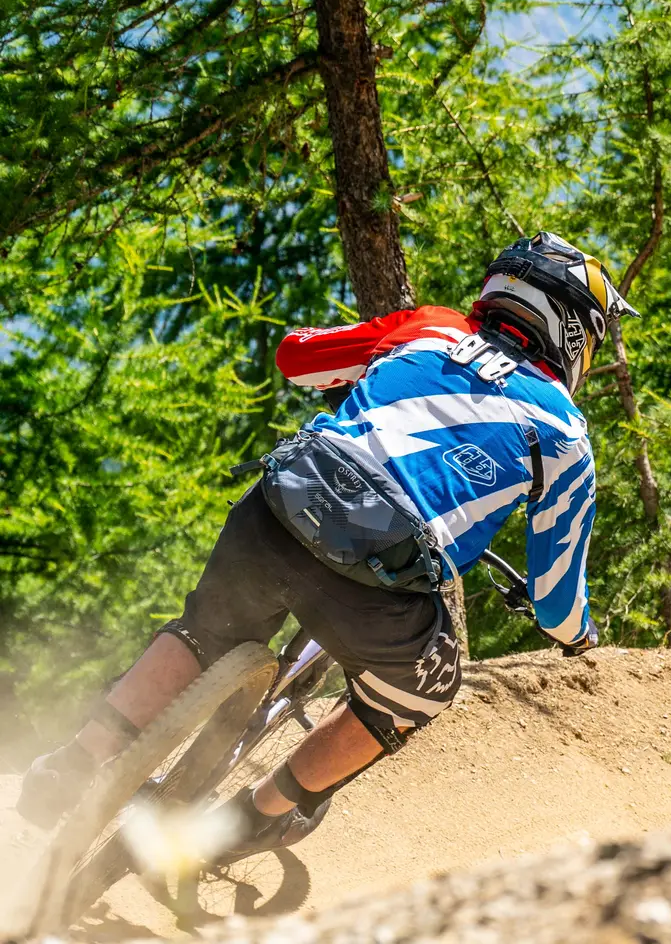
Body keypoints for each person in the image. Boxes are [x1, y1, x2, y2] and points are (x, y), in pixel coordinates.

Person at [17, 233, 633, 857]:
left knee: (202, 632)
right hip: (377, 582)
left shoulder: (432, 327)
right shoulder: (564, 431)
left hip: (281, 506)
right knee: (420, 692)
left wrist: (377, 363)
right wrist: (579, 638)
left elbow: (298, 358)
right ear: (574, 331)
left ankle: (71, 763)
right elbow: (556, 602)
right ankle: (255, 819)